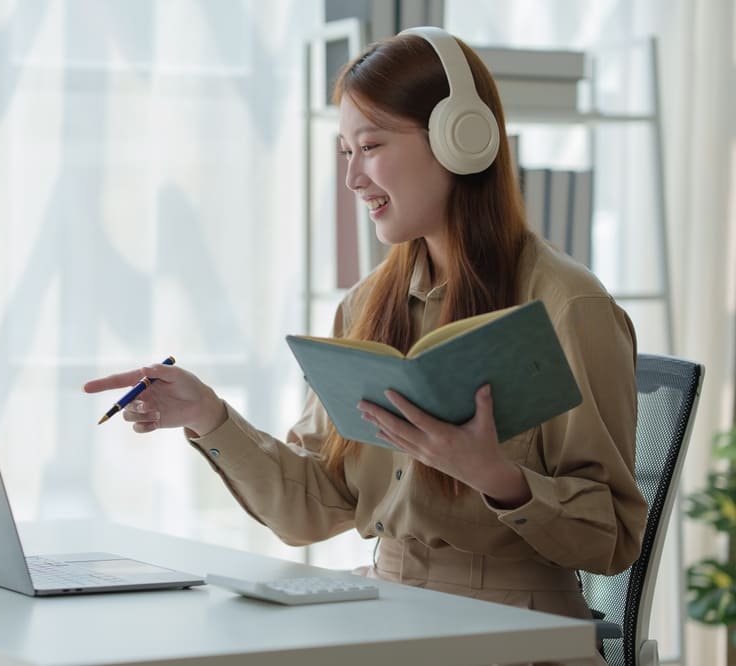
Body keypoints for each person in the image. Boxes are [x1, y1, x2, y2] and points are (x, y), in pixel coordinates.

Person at [84, 26, 646, 665]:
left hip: (513, 635)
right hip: (389, 612)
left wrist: (496, 477)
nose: (351, 177)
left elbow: (614, 537)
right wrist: (208, 415)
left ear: (461, 141)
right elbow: (314, 509)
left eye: (371, 146)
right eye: (343, 150)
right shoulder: (366, 305)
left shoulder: (568, 306)